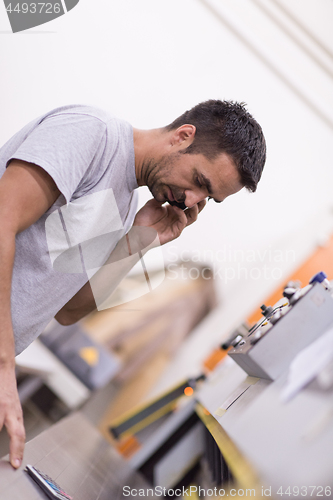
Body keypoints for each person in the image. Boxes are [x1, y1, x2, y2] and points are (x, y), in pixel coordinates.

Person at [0, 99, 266, 468]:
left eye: (208, 199)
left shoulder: (126, 206)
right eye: (198, 182)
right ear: (182, 137)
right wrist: (4, 364)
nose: (191, 201)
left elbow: (67, 310)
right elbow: (2, 221)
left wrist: (139, 242)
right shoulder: (93, 135)